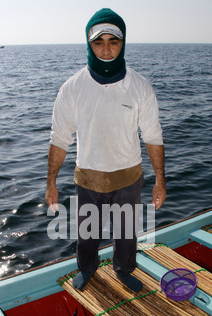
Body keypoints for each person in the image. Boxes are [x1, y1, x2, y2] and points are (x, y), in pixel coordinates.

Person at [45, 8, 166, 293]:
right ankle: (87, 269)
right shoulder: (72, 88)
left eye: (114, 41)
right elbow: (60, 138)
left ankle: (124, 269)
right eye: (99, 41)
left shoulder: (140, 86)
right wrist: (50, 182)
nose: (107, 48)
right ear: (89, 44)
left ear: (123, 43)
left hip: (128, 177)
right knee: (87, 235)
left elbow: (153, 135)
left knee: (126, 234)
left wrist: (160, 179)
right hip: (89, 178)